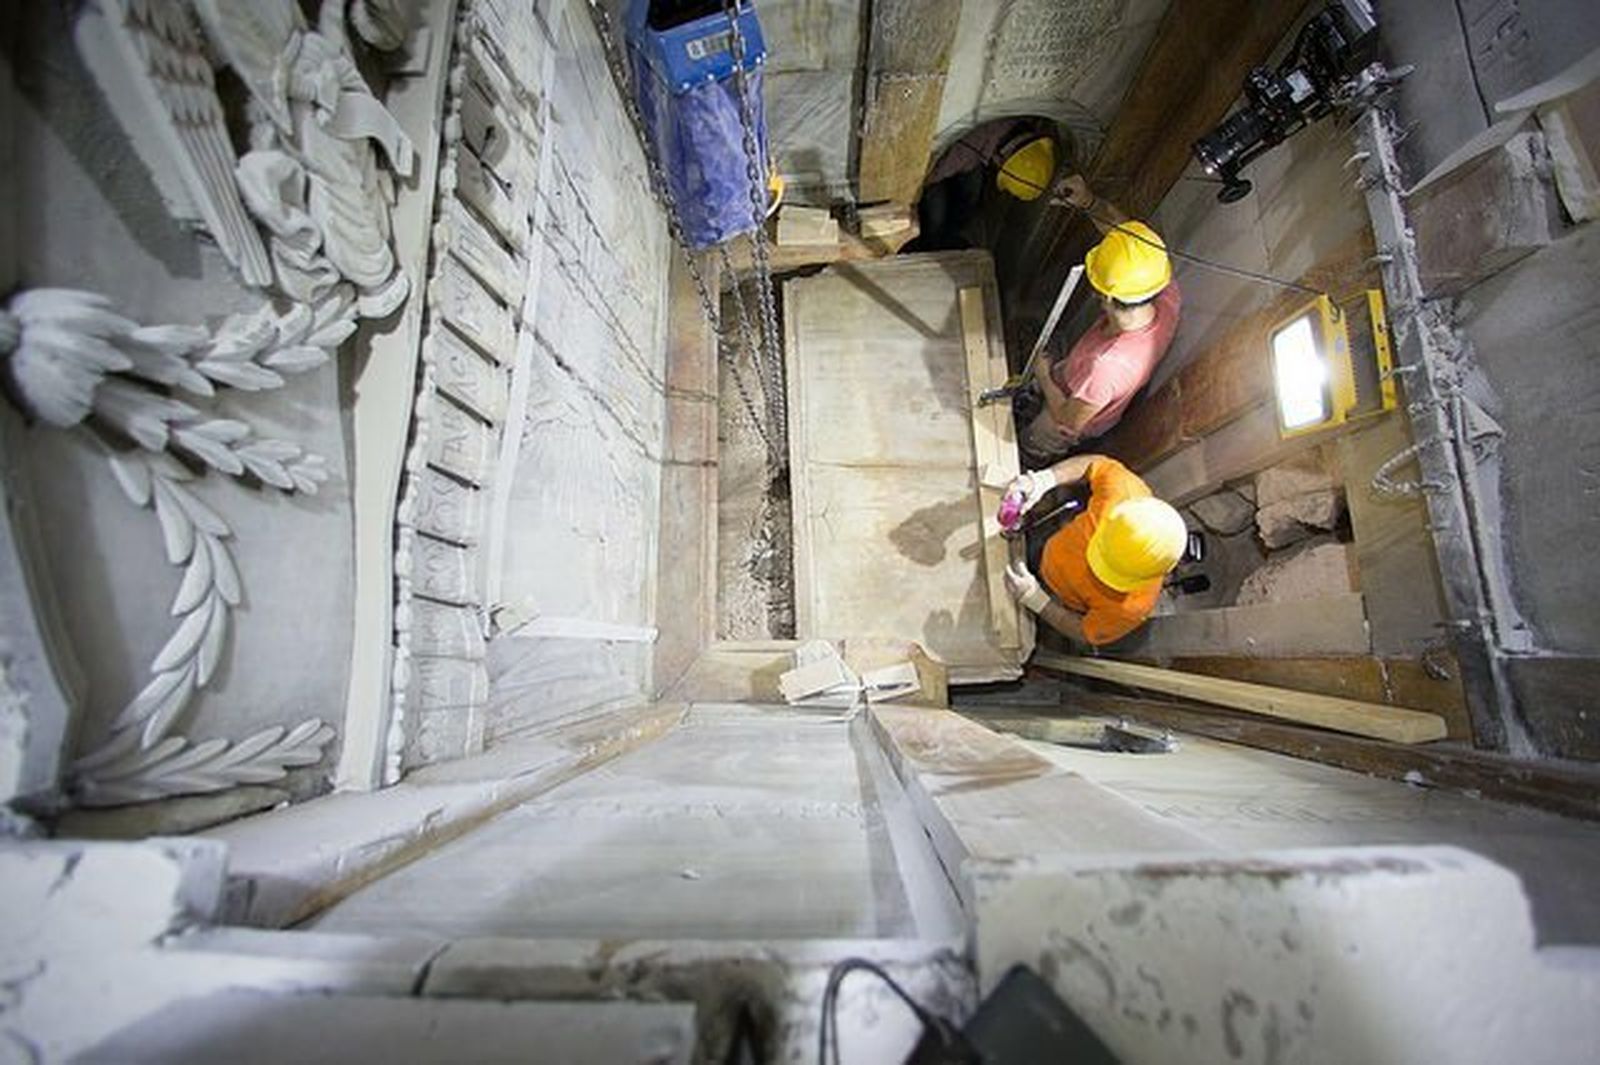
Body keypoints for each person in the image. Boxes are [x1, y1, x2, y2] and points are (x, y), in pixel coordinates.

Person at [1022, 176, 1182, 466]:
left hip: (1067, 415)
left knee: (1037, 438)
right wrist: (1089, 202)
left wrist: (1044, 375)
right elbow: (1127, 243)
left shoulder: (1107, 366)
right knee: (1051, 379)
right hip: (1076, 378)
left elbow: (1068, 420)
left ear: (1104, 297)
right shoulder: (1164, 292)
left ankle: (1029, 457)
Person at [1002, 453, 1187, 648]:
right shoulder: (1122, 493)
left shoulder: (1133, 608)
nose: (1095, 569)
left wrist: (1037, 600)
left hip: (1057, 597)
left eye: (1111, 573)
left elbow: (1084, 631)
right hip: (1051, 544)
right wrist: (1042, 480)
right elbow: (1095, 465)